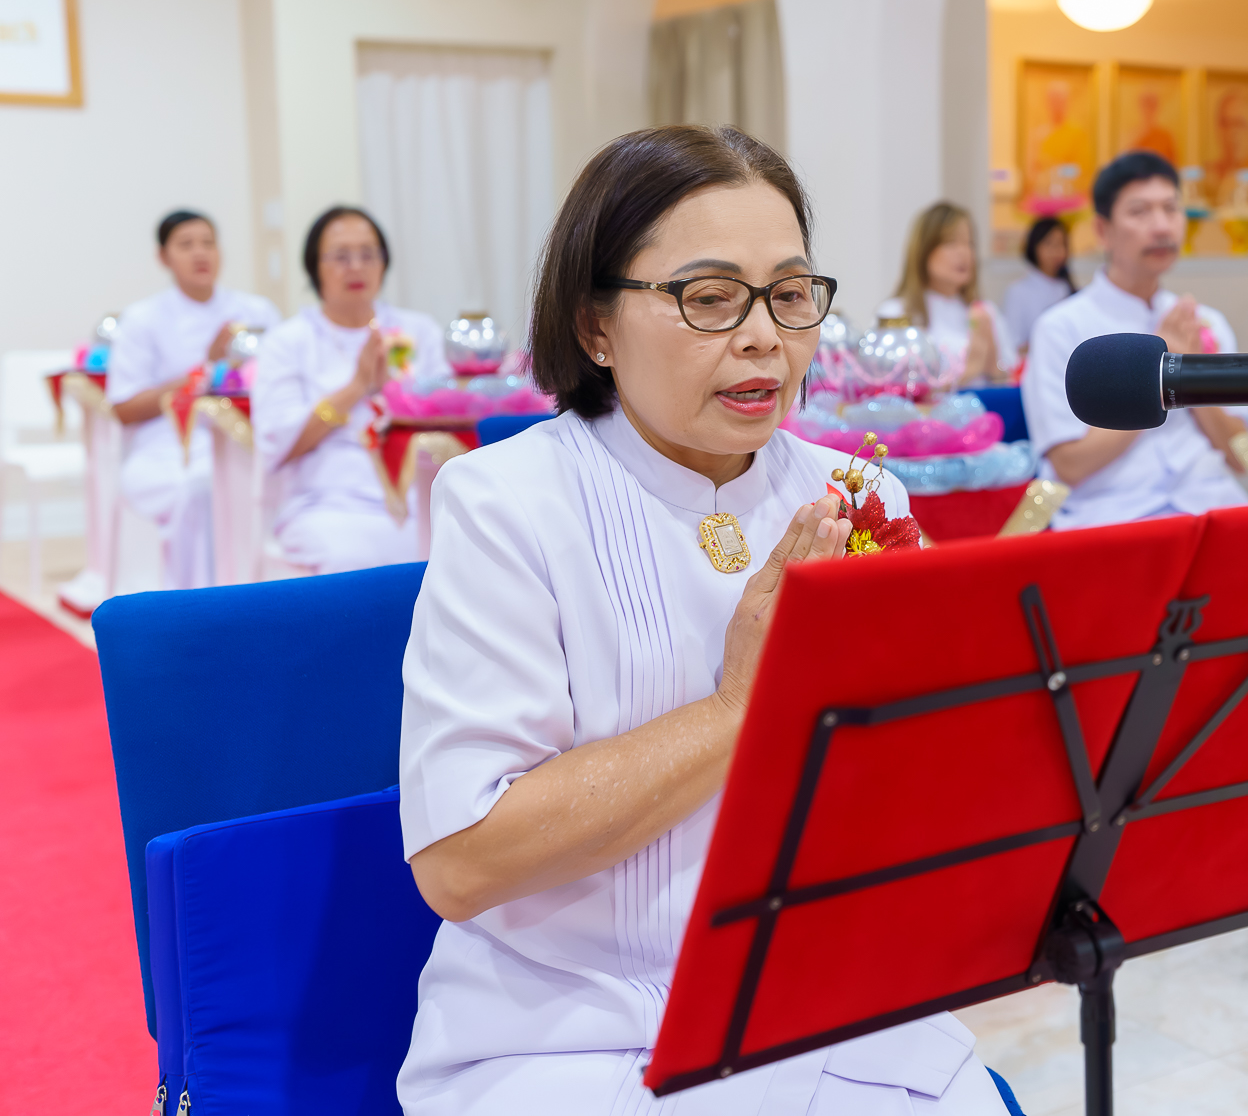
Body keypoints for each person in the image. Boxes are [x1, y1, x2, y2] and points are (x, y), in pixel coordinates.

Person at [395, 125, 1004, 1115]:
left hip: (813, 999)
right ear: (596, 324)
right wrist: (741, 706)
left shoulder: (855, 494)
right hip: (566, 1032)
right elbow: (462, 862)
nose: (764, 335)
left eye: (791, 294)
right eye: (710, 297)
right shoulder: (506, 503)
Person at [1021, 150, 1248, 529]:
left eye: (1170, 208)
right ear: (1102, 230)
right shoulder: (1060, 328)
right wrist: (1154, 379)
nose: (1161, 226)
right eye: (1140, 211)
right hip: (1114, 515)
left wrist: (1190, 369)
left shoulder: (1202, 323)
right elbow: (1069, 464)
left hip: (1212, 503)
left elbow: (1240, 455)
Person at [251, 205, 447, 573]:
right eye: (341, 256)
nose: (356, 266)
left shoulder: (418, 330)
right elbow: (279, 443)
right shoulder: (289, 341)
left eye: (368, 254)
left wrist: (396, 396)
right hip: (326, 503)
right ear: (315, 267)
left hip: (419, 497)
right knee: (350, 561)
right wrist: (357, 386)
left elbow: (448, 418)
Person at [105, 209, 278, 588]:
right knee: (202, 487)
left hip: (247, 440)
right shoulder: (143, 319)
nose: (200, 254)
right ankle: (197, 605)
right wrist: (208, 367)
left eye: (208, 243)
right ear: (163, 257)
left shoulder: (256, 311)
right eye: (186, 245)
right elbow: (124, 409)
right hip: (166, 448)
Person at [875, 200, 1017, 384]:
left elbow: (1010, 380)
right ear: (924, 249)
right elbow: (888, 387)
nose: (964, 253)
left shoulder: (986, 312)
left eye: (970, 243)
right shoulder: (895, 313)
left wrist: (991, 361)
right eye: (951, 243)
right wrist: (969, 370)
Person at [1001, 216, 1075, 356]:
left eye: (1061, 244)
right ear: (1034, 246)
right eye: (1049, 244)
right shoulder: (1018, 291)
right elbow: (1012, 344)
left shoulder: (1067, 288)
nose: (1056, 251)